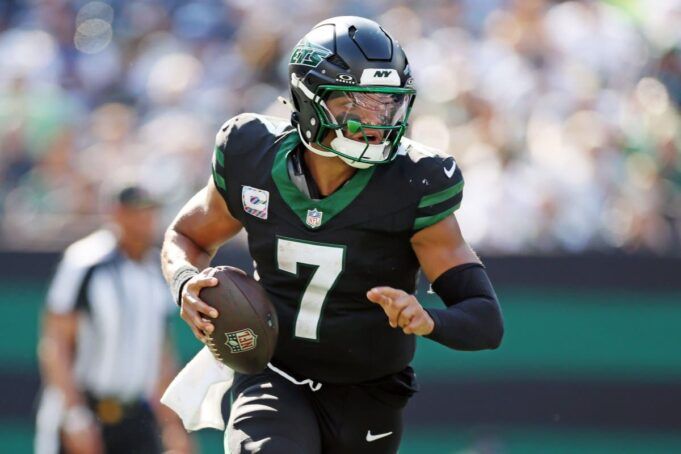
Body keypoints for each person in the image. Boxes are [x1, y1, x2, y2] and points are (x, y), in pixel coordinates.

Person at [162, 16, 504, 454]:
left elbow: (485, 320)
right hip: (274, 374)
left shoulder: (414, 182)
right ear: (309, 100)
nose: (376, 121)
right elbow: (187, 236)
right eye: (355, 104)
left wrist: (429, 319)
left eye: (386, 105)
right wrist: (184, 281)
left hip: (369, 393)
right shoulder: (251, 155)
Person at [35, 185, 193, 454]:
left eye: (150, 213)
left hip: (135, 414)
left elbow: (161, 353)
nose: (146, 221)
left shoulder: (156, 270)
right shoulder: (86, 262)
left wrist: (172, 424)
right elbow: (56, 343)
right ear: (117, 214)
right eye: (137, 213)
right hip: (87, 408)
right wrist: (74, 413)